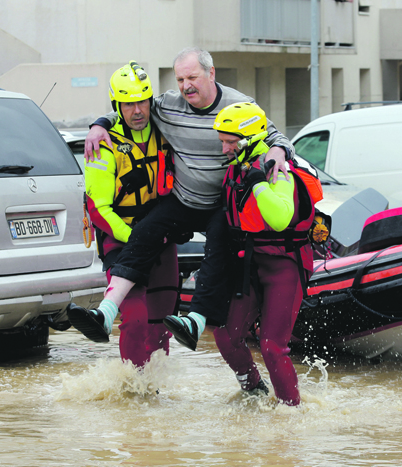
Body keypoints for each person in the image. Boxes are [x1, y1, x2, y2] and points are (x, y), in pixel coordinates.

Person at [71, 47, 295, 349]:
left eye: (192, 77)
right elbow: (133, 108)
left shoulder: (240, 104)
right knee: (145, 232)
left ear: (211, 73)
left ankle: (197, 320)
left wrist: (279, 150)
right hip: (183, 199)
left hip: (220, 201)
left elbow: (273, 135)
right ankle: (105, 311)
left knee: (217, 248)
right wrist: (99, 124)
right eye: (180, 79)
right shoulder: (167, 105)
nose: (186, 85)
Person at [66, 62, 177, 368]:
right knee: (136, 319)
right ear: (117, 105)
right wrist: (136, 239)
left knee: (162, 323)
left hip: (162, 236)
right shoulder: (103, 145)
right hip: (121, 237)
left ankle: (154, 392)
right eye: (128, 103)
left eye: (142, 101)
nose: (137, 110)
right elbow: (98, 210)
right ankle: (132, 391)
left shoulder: (166, 131)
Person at [211, 102, 317, 406]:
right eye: (222, 141)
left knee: (272, 345)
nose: (224, 149)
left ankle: (290, 416)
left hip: (285, 263)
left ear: (249, 139)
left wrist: (258, 184)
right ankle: (254, 391)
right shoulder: (236, 168)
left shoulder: (277, 170)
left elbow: (281, 218)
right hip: (250, 264)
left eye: (230, 142)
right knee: (225, 335)